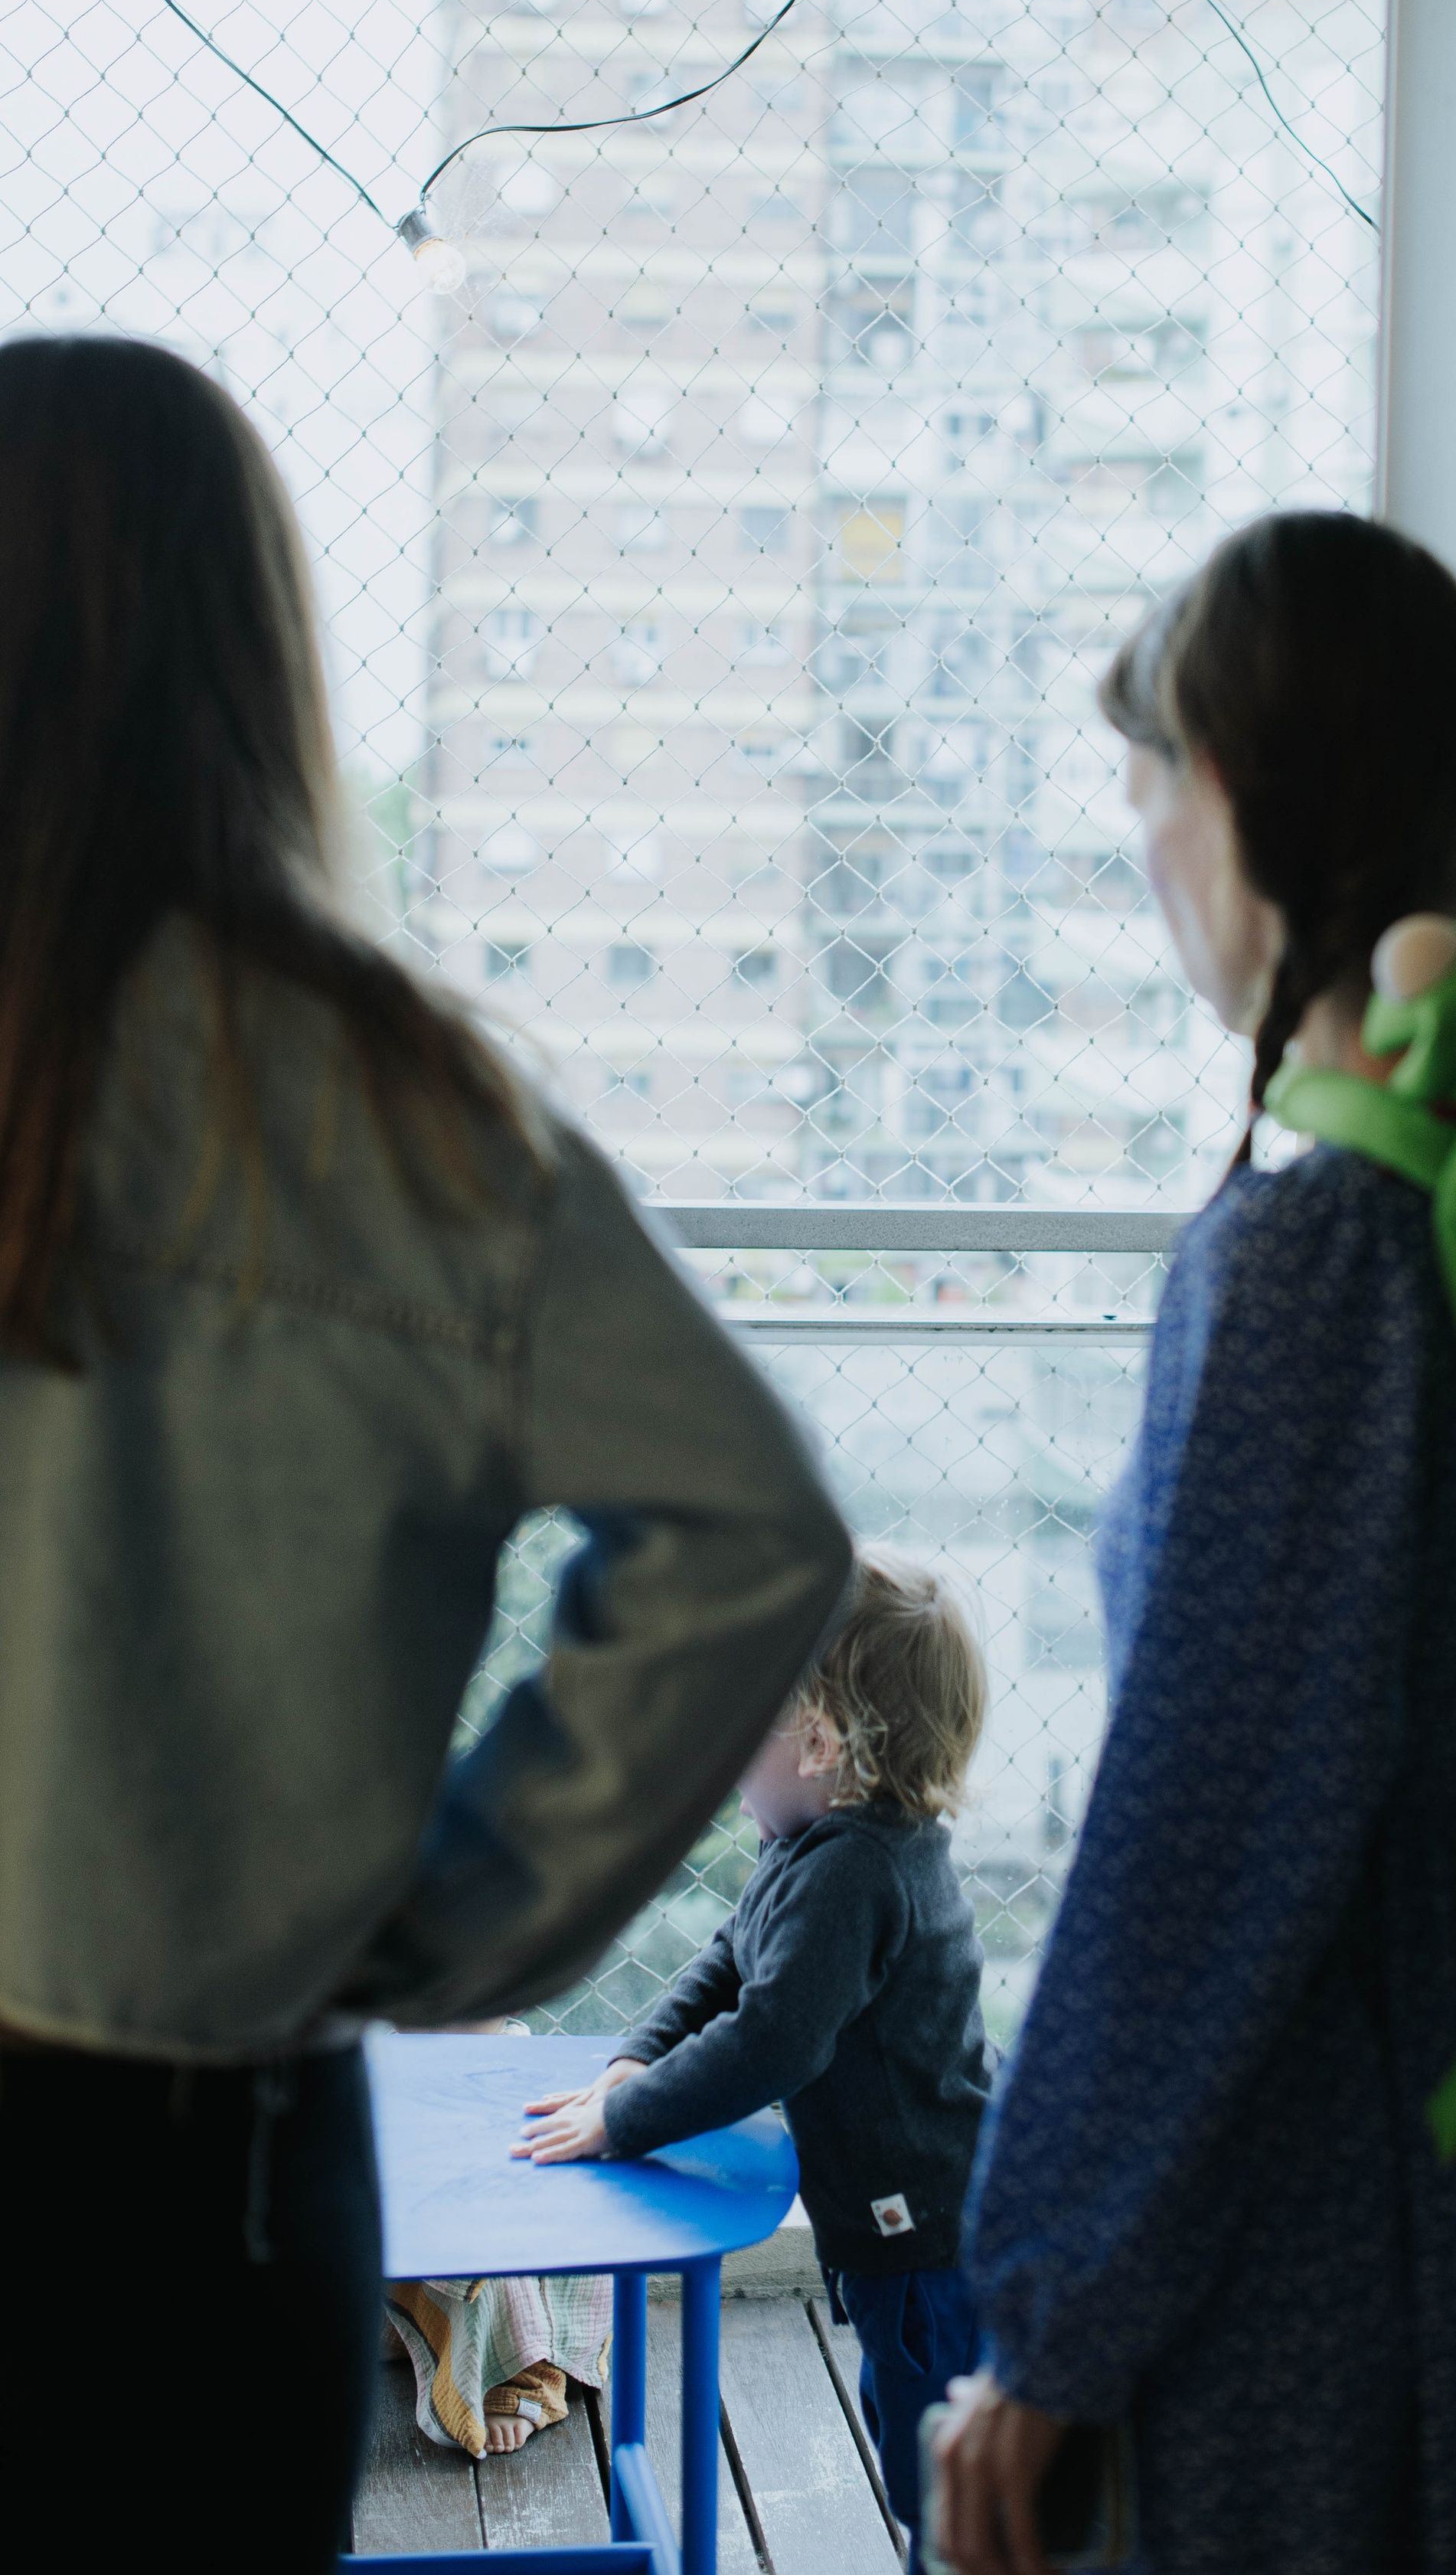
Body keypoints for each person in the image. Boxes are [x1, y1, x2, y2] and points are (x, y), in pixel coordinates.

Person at [0, 335, 852, 2570]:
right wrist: (460, 1910)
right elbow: (752, 1529)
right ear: (257, 655)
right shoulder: (414, 1110)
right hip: (214, 2153)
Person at [932, 511, 1456, 2575]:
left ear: (1244, 804)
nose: (1137, 842)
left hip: (1323, 2218)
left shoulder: (1323, 1261)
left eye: (1147, 779)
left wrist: (1049, 2311)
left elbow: (1205, 1835)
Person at [515, 1552, 991, 2567]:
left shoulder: (857, 1872)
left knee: (937, 2468)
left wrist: (628, 2121)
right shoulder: (815, 1841)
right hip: (893, 2229)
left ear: (821, 1741)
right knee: (909, 2418)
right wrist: (635, 2062)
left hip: (927, 2235)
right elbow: (733, 1959)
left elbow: (775, 2037)